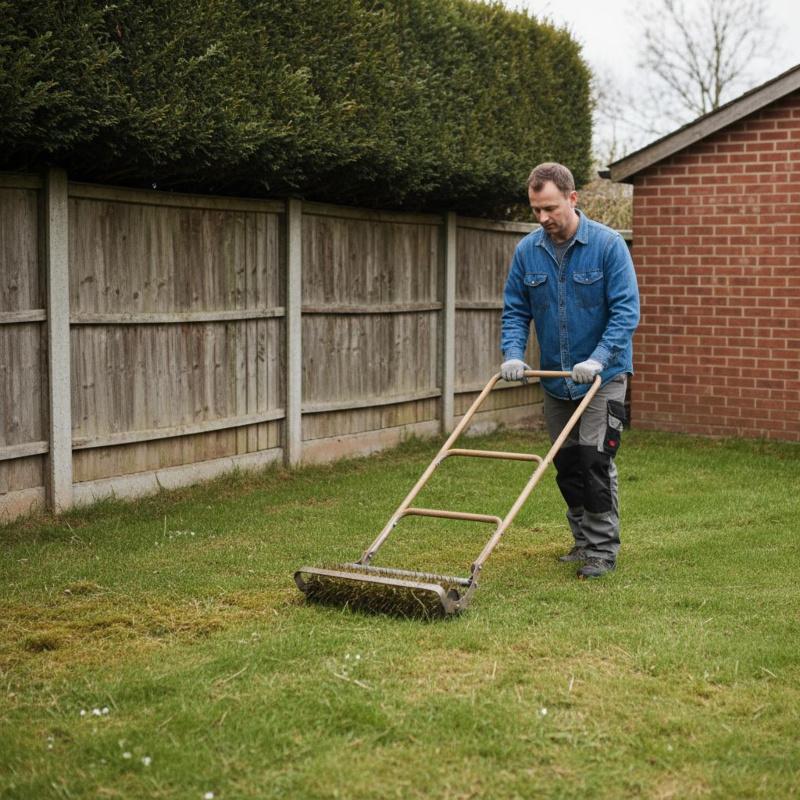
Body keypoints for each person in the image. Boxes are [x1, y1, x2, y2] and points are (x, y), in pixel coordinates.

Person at [500, 162, 640, 579]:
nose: (542, 219)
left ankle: (601, 550)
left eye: (550, 208)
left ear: (572, 199)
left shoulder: (608, 245)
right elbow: (515, 309)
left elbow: (626, 311)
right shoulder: (528, 251)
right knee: (566, 464)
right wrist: (512, 353)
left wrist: (598, 358)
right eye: (535, 210)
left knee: (595, 460)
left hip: (603, 376)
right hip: (556, 381)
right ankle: (581, 542)